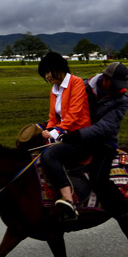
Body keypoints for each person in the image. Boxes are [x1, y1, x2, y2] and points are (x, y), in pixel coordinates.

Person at [59, 62, 128, 234]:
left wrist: (77, 134)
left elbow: (105, 127)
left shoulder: (122, 100)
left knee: (99, 179)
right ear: (105, 79)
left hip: (104, 142)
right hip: (78, 137)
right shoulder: (83, 87)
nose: (118, 89)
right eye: (114, 84)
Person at [36, 51, 91, 220]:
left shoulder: (77, 83)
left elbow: (74, 114)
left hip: (81, 137)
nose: (46, 77)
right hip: (65, 135)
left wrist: (55, 131)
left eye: (47, 72)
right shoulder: (54, 90)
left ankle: (68, 198)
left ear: (58, 69)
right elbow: (53, 116)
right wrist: (49, 132)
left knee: (50, 156)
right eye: (44, 74)